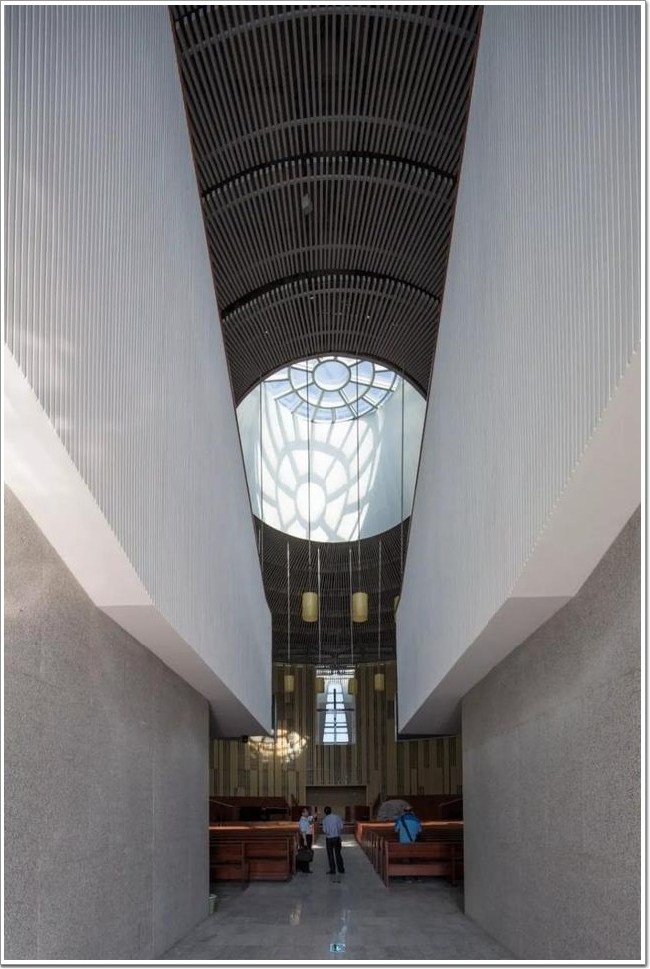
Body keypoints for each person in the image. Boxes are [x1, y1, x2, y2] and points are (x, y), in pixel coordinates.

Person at [322, 806, 345, 874]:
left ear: (325, 812)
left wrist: (328, 832)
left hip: (329, 839)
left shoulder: (324, 820)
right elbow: (341, 827)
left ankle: (333, 870)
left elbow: (324, 830)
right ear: (331, 810)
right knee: (338, 853)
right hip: (337, 837)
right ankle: (341, 869)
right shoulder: (337, 817)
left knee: (330, 854)